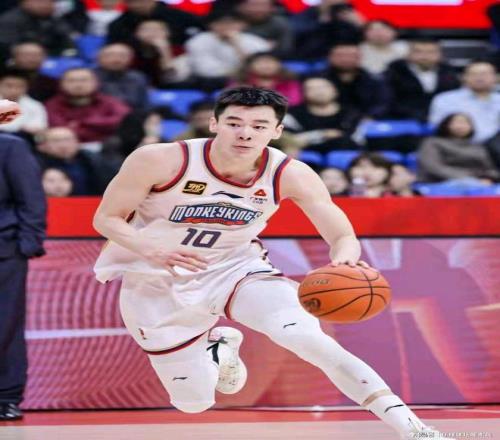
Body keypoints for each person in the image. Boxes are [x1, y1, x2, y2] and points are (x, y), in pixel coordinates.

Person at [92, 87, 452, 440]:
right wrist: (152, 249)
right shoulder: (160, 159)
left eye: (259, 126)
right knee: (193, 402)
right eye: (234, 123)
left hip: (236, 269)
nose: (245, 133)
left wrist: (344, 260)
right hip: (155, 277)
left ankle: (416, 431)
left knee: (309, 340)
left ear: (277, 131)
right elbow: (106, 218)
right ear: (214, 124)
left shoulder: (290, 173)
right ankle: (217, 346)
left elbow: (342, 235)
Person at [0, 99, 46, 421]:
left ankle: (6, 397)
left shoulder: (10, 147)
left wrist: (27, 244)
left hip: (4, 250)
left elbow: (31, 198)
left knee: (5, 325)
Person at [185, 11, 271, 89]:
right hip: (209, 82)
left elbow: (260, 67)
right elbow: (204, 70)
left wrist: (237, 45)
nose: (226, 26)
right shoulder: (198, 40)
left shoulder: (257, 42)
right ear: (211, 25)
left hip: (248, 81)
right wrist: (236, 73)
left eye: (232, 23)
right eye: (221, 23)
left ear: (243, 24)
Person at [45, 67, 130, 144]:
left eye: (84, 80)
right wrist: (100, 130)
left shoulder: (110, 102)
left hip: (106, 146)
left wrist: (83, 123)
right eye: (71, 81)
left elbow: (124, 121)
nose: (78, 85)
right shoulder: (51, 105)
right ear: (61, 84)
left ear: (96, 83)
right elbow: (61, 129)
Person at [385, 39, 460, 122]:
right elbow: (389, 102)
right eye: (418, 52)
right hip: (403, 121)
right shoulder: (394, 72)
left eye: (431, 52)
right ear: (408, 54)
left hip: (443, 121)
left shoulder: (449, 72)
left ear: (440, 54)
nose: (425, 56)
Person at [429, 61, 500, 143]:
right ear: (463, 77)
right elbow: (438, 127)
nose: (479, 78)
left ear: (496, 77)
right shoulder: (445, 99)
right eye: (474, 74)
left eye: (484, 74)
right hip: (457, 146)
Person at [417, 113, 499, 183]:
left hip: (479, 183)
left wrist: (490, 178)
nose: (461, 126)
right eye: (457, 122)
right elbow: (433, 168)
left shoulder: (478, 146)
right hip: (442, 182)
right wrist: (471, 178)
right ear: (446, 124)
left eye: (465, 123)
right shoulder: (432, 143)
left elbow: (489, 168)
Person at [0, 0, 76, 56]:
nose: (45, 5)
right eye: (40, 1)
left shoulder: (55, 19)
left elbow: (70, 39)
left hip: (54, 59)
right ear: (24, 2)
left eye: (50, 1)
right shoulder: (9, 20)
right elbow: (7, 47)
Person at [94, 43, 149, 110]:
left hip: (134, 114)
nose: (117, 60)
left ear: (131, 59)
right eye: (110, 55)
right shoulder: (91, 77)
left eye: (122, 56)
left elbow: (144, 104)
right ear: (99, 59)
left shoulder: (138, 78)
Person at [0, 68, 48, 139]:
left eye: (20, 86)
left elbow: (39, 128)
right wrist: (19, 127)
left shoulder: (35, 105)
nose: (14, 90)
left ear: (27, 87)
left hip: (23, 139)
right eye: (9, 86)